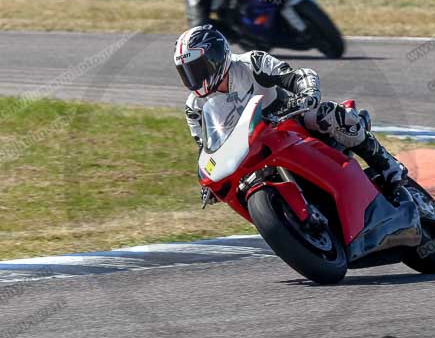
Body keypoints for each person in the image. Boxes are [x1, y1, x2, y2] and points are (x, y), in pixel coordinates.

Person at [173, 25, 408, 206]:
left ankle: (386, 164)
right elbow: (205, 148)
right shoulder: (194, 106)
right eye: (186, 71)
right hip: (248, 151)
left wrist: (307, 94)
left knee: (324, 114)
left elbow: (296, 76)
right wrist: (208, 183)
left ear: (215, 58)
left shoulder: (251, 63)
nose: (194, 77)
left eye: (197, 67)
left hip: (287, 121)